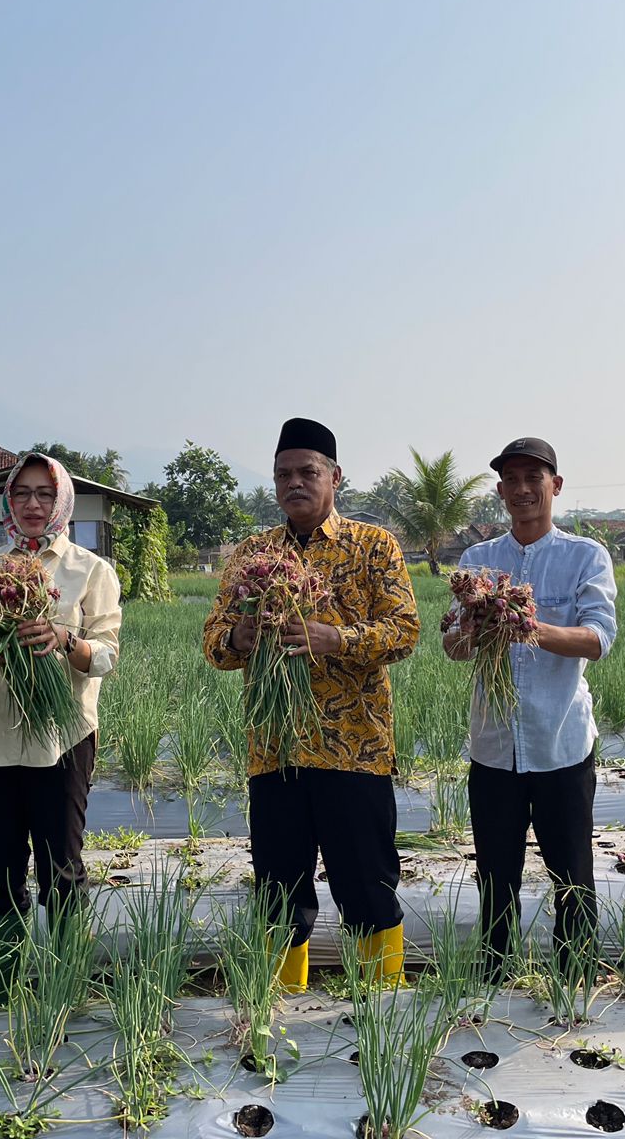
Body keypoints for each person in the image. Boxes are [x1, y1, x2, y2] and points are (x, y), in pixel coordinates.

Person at [203, 418, 420, 991]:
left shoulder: (375, 547)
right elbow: (214, 640)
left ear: (335, 477)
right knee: (278, 887)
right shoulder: (254, 555)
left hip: (355, 746)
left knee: (367, 882)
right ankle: (282, 1003)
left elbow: (404, 631)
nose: (294, 483)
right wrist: (240, 639)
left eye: (308, 472)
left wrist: (337, 639)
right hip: (274, 749)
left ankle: (381, 1008)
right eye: (283, 475)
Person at [0, 453, 121, 993]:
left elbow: (108, 656)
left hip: (60, 740)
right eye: (22, 494)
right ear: (8, 503)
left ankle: (65, 980)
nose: (34, 504)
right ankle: (5, 982)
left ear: (63, 500)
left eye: (45, 493)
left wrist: (66, 640)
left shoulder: (90, 571)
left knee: (61, 867)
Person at [442, 438, 617, 980]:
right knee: (496, 875)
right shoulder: (477, 561)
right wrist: (470, 630)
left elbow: (597, 639)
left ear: (555, 486)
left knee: (572, 874)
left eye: (532, 478)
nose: (521, 489)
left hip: (560, 742)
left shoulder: (586, 556)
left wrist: (528, 627)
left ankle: (577, 982)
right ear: (500, 491)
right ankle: (493, 982)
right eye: (510, 480)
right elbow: (453, 646)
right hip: (494, 748)